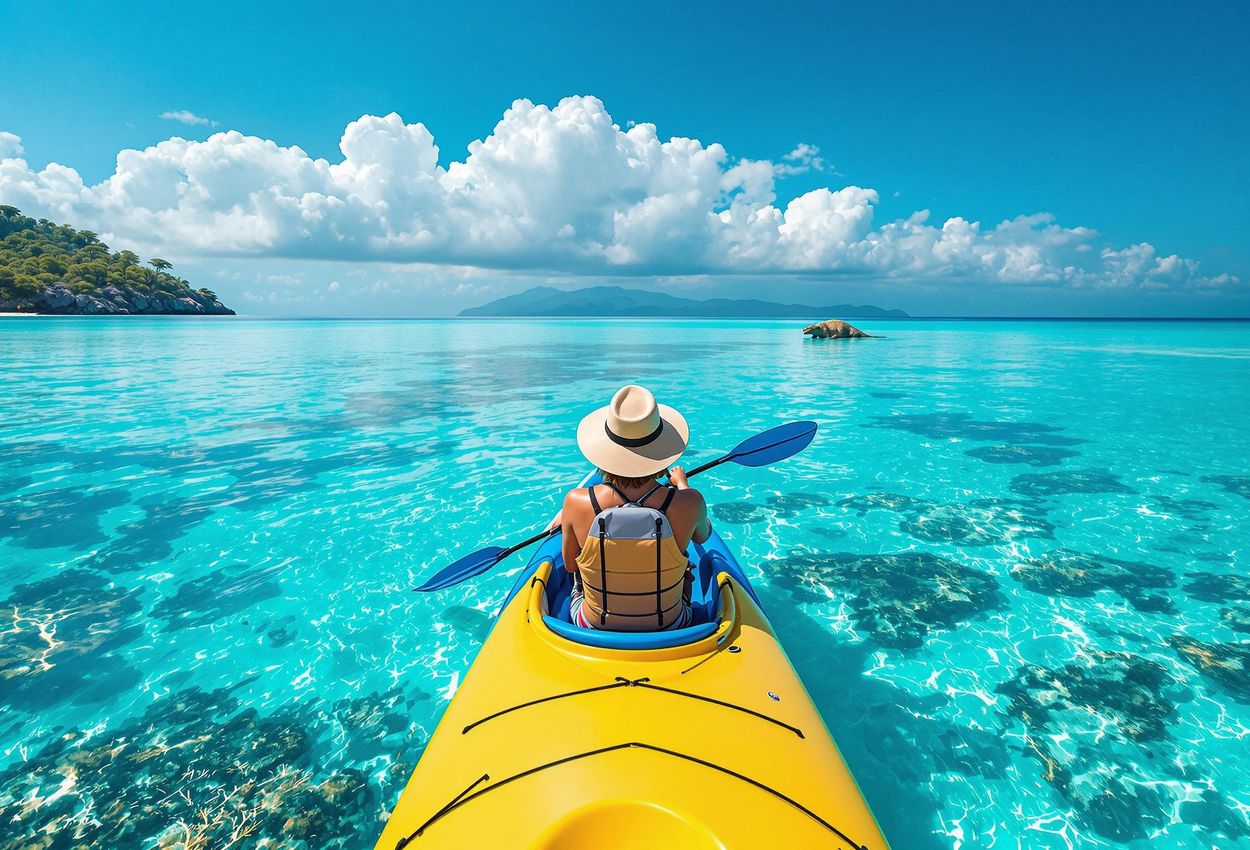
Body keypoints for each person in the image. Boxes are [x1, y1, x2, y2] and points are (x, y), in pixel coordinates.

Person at [560, 385, 712, 631]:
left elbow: (569, 565)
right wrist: (683, 486)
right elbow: (704, 535)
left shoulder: (576, 502)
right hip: (672, 623)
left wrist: (567, 519)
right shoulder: (690, 502)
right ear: (662, 452)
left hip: (592, 624)